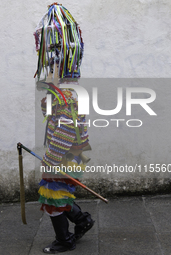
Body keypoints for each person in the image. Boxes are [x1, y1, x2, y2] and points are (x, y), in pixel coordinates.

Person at [34, 3, 95, 254]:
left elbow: (66, 129)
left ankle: (64, 240)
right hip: (74, 153)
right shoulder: (63, 92)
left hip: (66, 154)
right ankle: (83, 221)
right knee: (59, 192)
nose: (47, 70)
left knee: (53, 194)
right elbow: (52, 118)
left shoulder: (66, 94)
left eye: (51, 66)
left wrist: (51, 160)